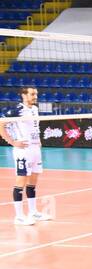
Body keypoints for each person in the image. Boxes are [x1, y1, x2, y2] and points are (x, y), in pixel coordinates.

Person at [3, 86, 51, 226]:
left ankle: (33, 211)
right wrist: (12, 141)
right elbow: (1, 124)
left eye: (36, 94)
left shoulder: (35, 109)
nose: (35, 96)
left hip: (35, 149)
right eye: (32, 94)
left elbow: (35, 127)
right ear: (24, 95)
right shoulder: (17, 109)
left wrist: (39, 140)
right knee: (21, 181)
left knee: (33, 182)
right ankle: (18, 216)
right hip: (23, 150)